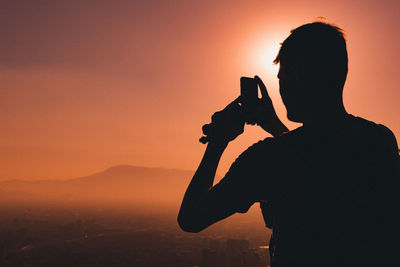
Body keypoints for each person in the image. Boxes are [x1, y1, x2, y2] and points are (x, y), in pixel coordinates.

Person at [178, 21, 400, 266]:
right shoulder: (380, 140)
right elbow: (318, 156)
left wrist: (217, 142)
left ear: (299, 76)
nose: (281, 87)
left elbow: (191, 218)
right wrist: (274, 126)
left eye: (282, 77)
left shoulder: (268, 159)